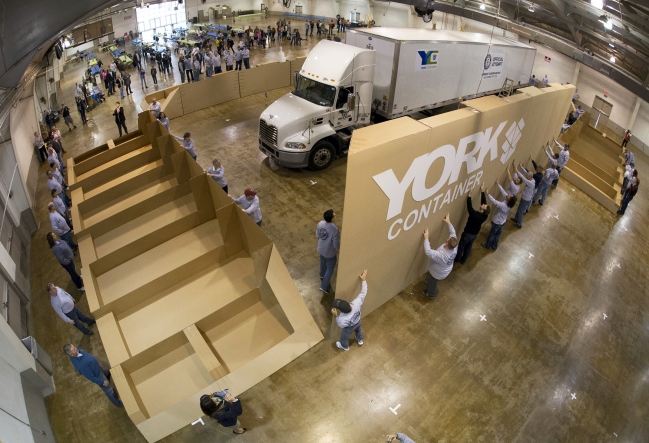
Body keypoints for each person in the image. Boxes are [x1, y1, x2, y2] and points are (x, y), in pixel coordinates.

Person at [422, 213, 457, 298]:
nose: (447, 239)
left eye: (447, 240)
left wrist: (426, 237)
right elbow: (453, 232)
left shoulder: (443, 255)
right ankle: (429, 280)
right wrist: (448, 222)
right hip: (444, 269)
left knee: (433, 282)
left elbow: (428, 251)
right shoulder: (454, 245)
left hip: (438, 273)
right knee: (431, 279)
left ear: (447, 243)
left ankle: (431, 294)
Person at [331, 269, 368, 351]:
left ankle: (344, 346)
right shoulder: (356, 303)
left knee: (344, 336)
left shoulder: (342, 318)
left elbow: (341, 325)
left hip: (349, 327)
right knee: (359, 330)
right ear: (348, 302)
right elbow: (363, 293)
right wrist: (364, 279)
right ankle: (360, 339)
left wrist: (335, 315)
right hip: (358, 321)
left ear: (341, 311)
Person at [455, 185, 489, 265]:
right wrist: (482, 191)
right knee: (468, 248)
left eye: (484, 206)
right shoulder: (485, 215)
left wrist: (469, 195)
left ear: (483, 210)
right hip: (474, 235)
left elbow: (469, 207)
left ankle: (456, 259)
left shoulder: (475, 215)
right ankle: (463, 261)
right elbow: (484, 202)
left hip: (467, 234)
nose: (483, 204)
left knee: (461, 247)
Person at [481, 180, 517, 251]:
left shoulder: (504, 205)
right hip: (502, 222)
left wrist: (488, 194)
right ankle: (494, 246)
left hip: (497, 222)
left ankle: (488, 245)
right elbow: (503, 192)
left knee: (492, 234)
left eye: (510, 196)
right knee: (497, 235)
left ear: (509, 200)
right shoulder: (508, 203)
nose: (508, 195)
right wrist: (498, 184)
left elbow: (495, 202)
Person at [317, 209, 340, 294]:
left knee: (322, 261)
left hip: (320, 248)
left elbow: (317, 234)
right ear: (332, 219)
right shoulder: (335, 229)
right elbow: (336, 244)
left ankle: (321, 274)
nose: (335, 215)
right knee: (330, 267)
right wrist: (339, 248)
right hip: (329, 253)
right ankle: (323, 286)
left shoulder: (320, 223)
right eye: (334, 215)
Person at [513, 163, 537, 228]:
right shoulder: (532, 179)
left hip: (526, 199)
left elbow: (523, 178)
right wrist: (521, 167)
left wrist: (517, 171)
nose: (526, 176)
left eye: (527, 176)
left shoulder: (530, 183)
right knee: (519, 209)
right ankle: (516, 219)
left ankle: (519, 224)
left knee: (521, 211)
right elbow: (526, 172)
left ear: (529, 177)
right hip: (525, 197)